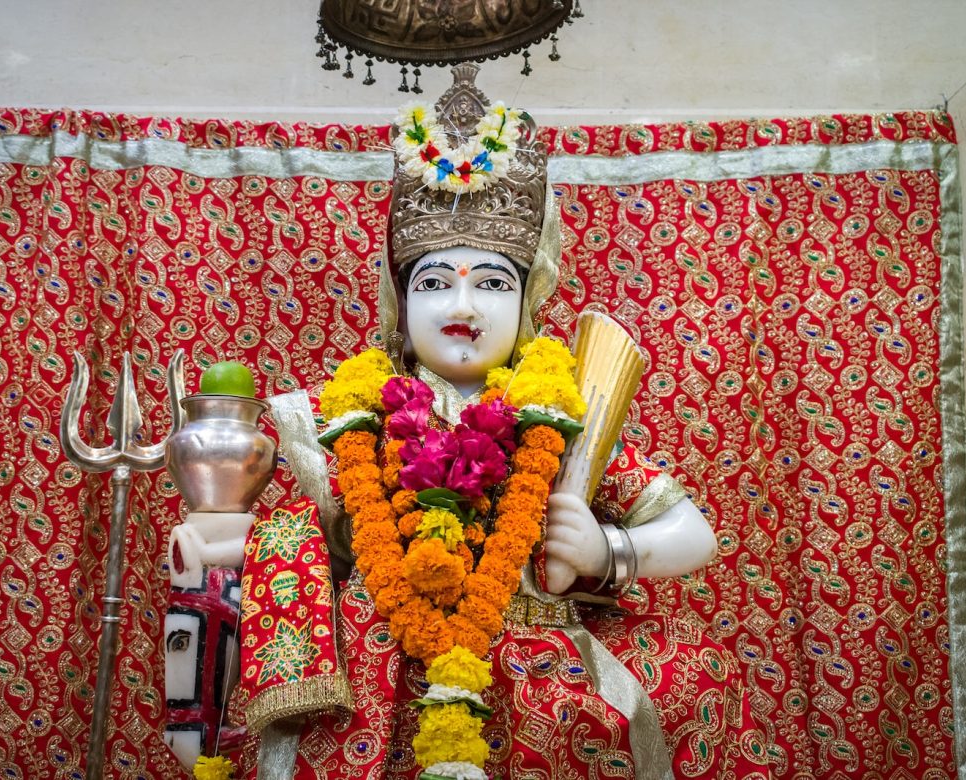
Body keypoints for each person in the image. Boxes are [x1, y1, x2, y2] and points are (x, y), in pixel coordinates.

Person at [214, 66, 772, 780]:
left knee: (693, 679)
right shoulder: (344, 418)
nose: (463, 306)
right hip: (380, 663)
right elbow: (290, 543)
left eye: (492, 284)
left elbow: (695, 534)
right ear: (399, 303)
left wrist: (607, 550)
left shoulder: (564, 418)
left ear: (528, 299)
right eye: (434, 283)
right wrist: (219, 541)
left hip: (546, 662)